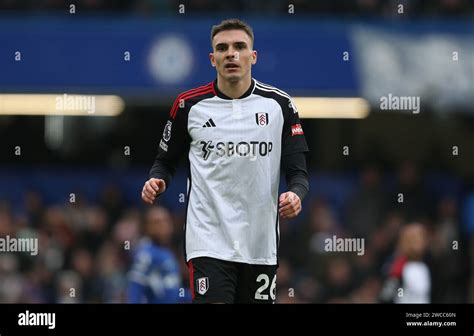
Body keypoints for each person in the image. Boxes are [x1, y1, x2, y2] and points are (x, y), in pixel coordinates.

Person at [141, 18, 309, 303]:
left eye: (240, 46)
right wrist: (157, 180)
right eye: (222, 48)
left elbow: (298, 173)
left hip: (260, 244)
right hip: (208, 242)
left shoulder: (280, 105)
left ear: (253, 56)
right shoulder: (187, 106)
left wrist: (296, 194)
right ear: (212, 58)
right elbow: (165, 162)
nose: (231, 53)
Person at [127, 206, 182, 303]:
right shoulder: (146, 254)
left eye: (166, 221)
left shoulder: (166, 252)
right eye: (157, 223)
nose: (164, 226)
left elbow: (171, 291)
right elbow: (135, 287)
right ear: (147, 227)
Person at [379, 222, 431, 303]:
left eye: (421, 238)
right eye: (413, 239)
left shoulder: (426, 265)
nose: (418, 243)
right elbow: (386, 296)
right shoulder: (399, 266)